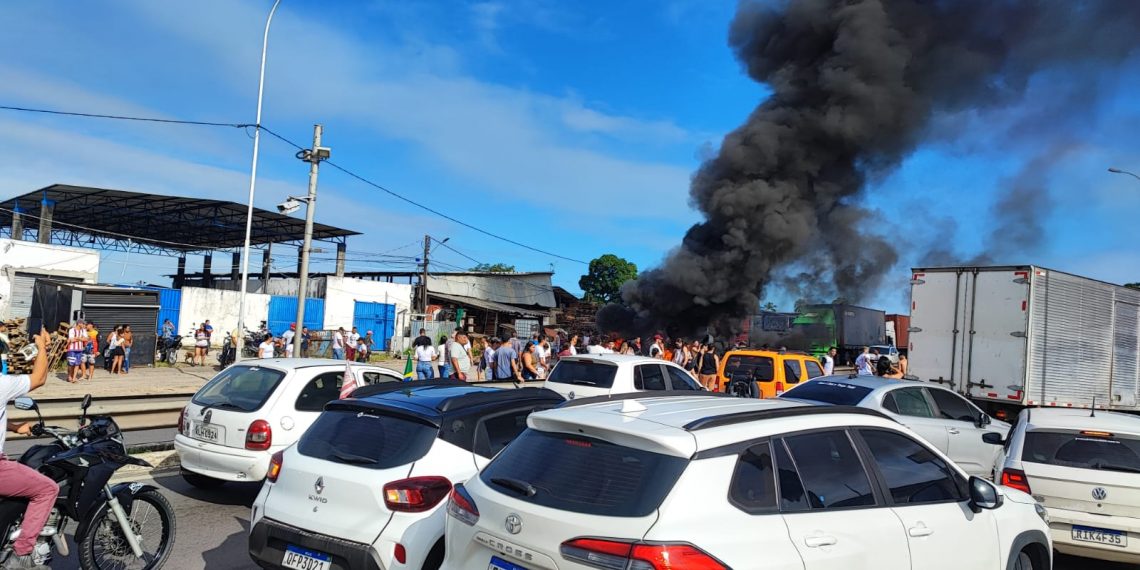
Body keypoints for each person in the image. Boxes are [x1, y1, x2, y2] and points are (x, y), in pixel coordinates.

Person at [1, 328, 57, 570]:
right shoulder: (2, 384)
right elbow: (39, 379)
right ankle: (21, 555)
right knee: (47, 489)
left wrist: (14, 427)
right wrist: (42, 347)